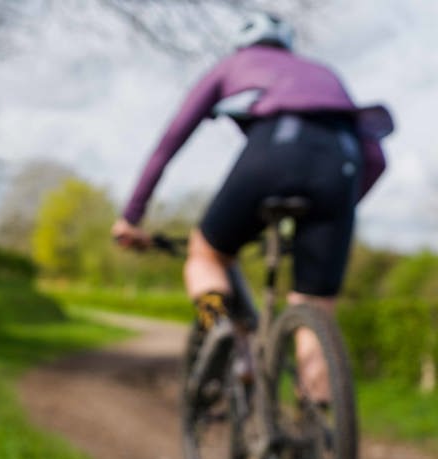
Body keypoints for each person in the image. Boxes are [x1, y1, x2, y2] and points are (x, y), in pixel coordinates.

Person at [111, 11, 394, 399]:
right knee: (315, 308)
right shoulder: (322, 73)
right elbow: (376, 159)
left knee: (206, 254)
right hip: (342, 165)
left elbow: (169, 141)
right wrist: (330, 213)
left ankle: (221, 329)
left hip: (273, 149)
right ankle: (319, 442)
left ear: (245, 45)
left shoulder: (232, 66)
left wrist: (131, 217)